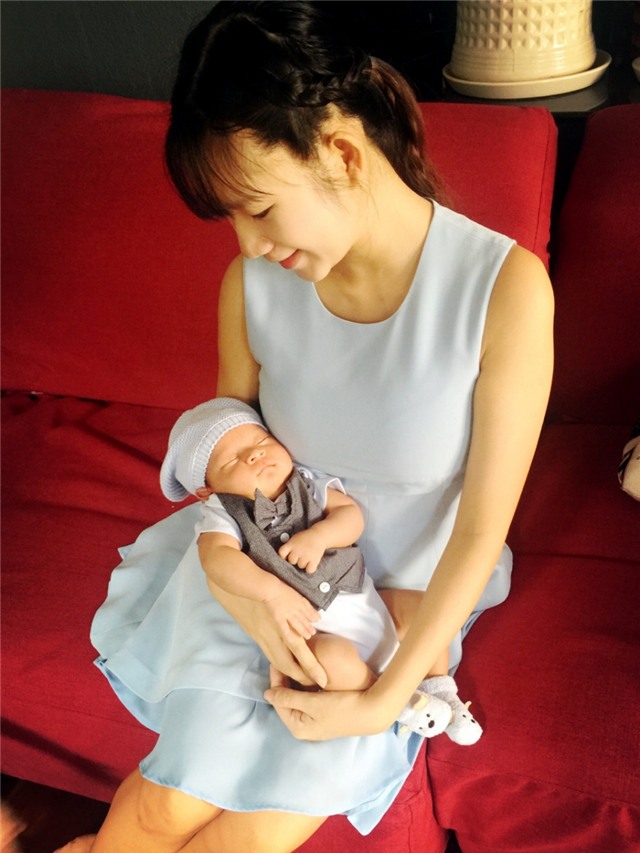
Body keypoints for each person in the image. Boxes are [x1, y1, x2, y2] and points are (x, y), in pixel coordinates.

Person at [58, 1, 554, 851]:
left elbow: (480, 534)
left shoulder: (503, 288)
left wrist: (384, 695)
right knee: (169, 801)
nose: (248, 245)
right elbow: (229, 474)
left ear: (342, 154)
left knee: (253, 836)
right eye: (229, 220)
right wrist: (245, 597)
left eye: (257, 209)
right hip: (261, 571)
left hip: (400, 603)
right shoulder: (252, 288)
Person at [160, 395, 479, 739]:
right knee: (329, 661)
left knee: (423, 608)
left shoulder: (305, 481)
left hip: (367, 602)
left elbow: (349, 515)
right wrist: (272, 593)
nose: (254, 455)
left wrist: (320, 537)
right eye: (232, 460)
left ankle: (442, 690)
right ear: (207, 491)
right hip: (318, 630)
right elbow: (216, 559)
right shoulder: (223, 512)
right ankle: (399, 703)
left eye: (261, 441)